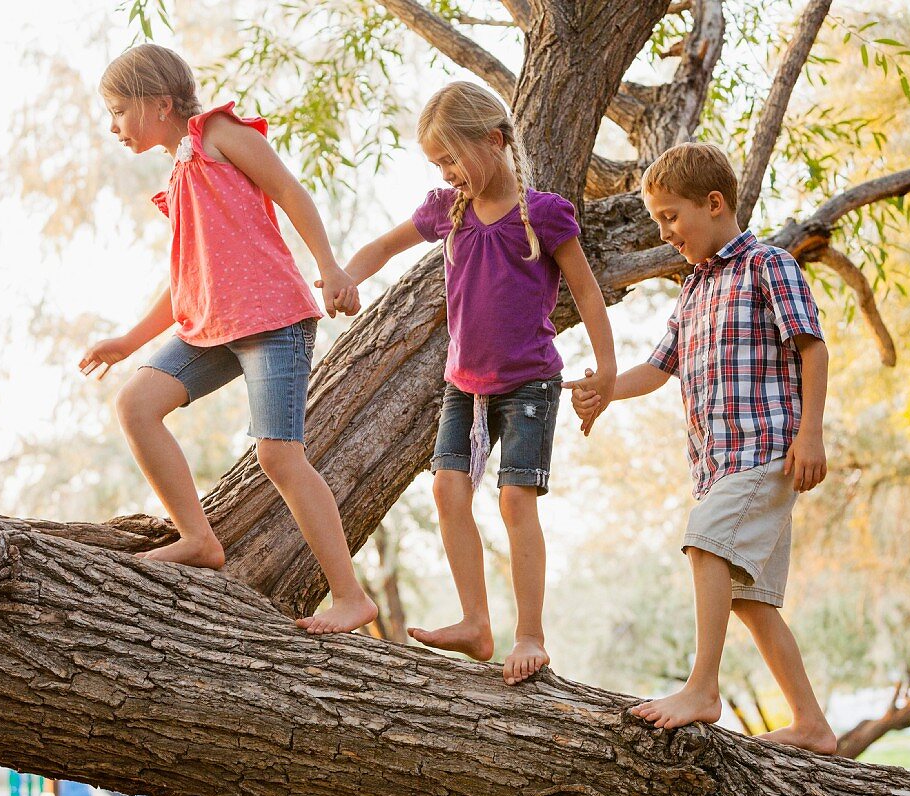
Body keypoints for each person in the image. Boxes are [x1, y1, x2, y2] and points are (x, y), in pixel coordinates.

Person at [79, 44, 376, 634]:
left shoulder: (217, 132)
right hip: (213, 325)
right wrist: (128, 341)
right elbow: (187, 278)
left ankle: (351, 597)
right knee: (135, 404)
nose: (112, 126)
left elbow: (291, 191)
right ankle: (197, 538)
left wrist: (331, 267)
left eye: (118, 110)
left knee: (278, 455)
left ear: (159, 102)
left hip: (273, 319)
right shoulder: (177, 175)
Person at [342, 81, 616, 685]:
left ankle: (531, 635)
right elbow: (383, 246)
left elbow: (588, 293)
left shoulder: (543, 214)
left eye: (451, 159)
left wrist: (607, 367)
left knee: (515, 501)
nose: (446, 172)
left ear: (493, 141)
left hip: (529, 385)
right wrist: (345, 275)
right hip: (463, 386)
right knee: (447, 491)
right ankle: (475, 621)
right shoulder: (447, 210)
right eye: (437, 164)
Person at [568, 142, 836, 753]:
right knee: (751, 600)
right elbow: (659, 369)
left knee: (704, 543)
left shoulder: (770, 267)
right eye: (658, 220)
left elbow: (812, 348)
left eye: (670, 217)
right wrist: (605, 389)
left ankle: (702, 688)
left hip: (765, 451)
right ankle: (813, 724)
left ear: (714, 204)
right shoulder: (691, 292)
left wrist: (811, 433)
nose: (665, 233)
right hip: (718, 469)